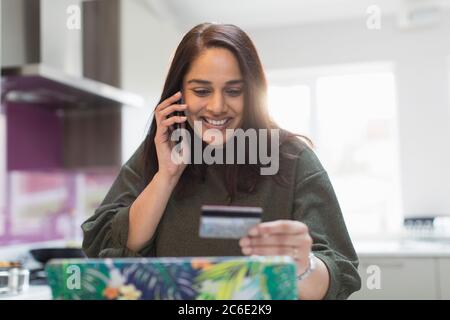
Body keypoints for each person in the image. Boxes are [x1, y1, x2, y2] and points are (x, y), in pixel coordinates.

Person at [81, 22, 361, 300]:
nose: (217, 106)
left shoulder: (292, 158)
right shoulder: (158, 152)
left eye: (234, 91)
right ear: (178, 94)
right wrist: (165, 176)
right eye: (202, 91)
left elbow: (340, 272)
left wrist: (303, 266)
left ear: (252, 92)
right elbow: (105, 249)